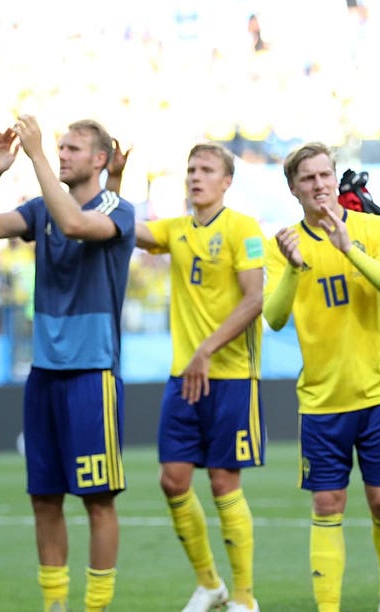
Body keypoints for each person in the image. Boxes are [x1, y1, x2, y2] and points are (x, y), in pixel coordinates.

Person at [0, 116, 135, 612]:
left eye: (72, 148)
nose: (61, 154)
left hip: (93, 370)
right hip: (44, 371)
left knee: (98, 500)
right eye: (58, 147)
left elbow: (75, 224)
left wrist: (35, 153)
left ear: (99, 161)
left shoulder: (116, 208)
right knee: (44, 498)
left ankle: (95, 608)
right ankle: (55, 606)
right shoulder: (41, 208)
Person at [264, 142, 380, 612]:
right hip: (323, 401)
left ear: (335, 178)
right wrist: (291, 269)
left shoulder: (371, 228)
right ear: (294, 189)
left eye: (325, 175)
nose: (320, 185)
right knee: (327, 505)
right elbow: (272, 316)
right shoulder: (284, 242)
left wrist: (351, 251)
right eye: (308, 179)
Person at [131, 143, 265, 612]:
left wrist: (205, 349)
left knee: (225, 483)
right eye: (190, 169)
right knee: (172, 481)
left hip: (230, 376)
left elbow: (254, 300)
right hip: (184, 376)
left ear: (226, 181)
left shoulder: (243, 228)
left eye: (206, 169)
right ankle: (211, 584)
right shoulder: (175, 229)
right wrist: (112, 184)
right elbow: (117, 229)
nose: (195, 177)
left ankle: (245, 598)